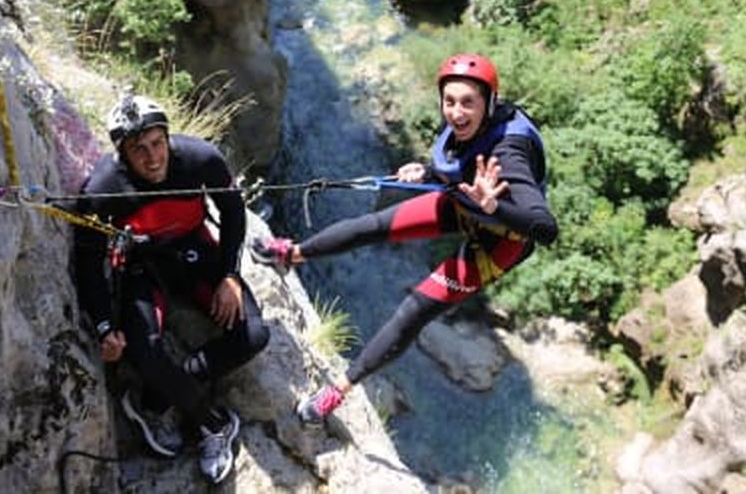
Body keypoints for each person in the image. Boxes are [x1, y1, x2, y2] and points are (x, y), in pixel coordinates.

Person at [252, 53, 557, 426]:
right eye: (449, 101)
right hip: (466, 204)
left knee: (414, 310)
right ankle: (291, 254)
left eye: (467, 103)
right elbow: (457, 160)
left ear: (489, 103)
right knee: (373, 225)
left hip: (500, 241)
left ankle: (338, 392)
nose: (456, 112)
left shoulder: (509, 152)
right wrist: (426, 170)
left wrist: (494, 207)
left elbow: (544, 227)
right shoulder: (467, 129)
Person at [73, 94, 270, 484]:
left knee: (253, 334)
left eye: (157, 143)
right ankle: (213, 424)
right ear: (122, 153)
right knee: (142, 350)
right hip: (143, 266)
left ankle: (155, 399)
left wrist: (230, 274)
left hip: (195, 248)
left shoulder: (201, 159)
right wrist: (101, 325)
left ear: (168, 137)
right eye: (138, 149)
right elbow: (87, 262)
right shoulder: (102, 190)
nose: (152, 157)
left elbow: (232, 211)